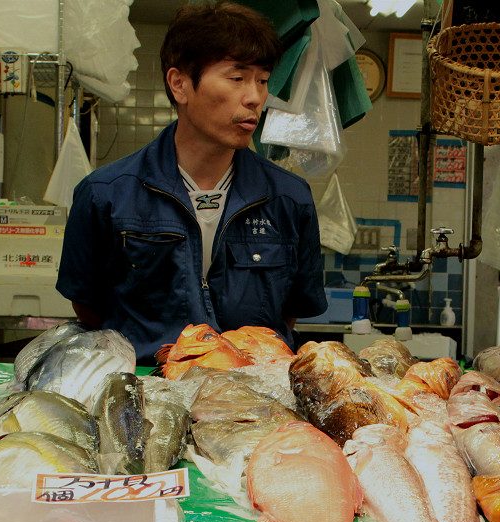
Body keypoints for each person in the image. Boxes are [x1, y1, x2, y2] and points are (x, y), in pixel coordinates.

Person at [56, 2, 326, 364]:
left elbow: (293, 310)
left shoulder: (289, 198)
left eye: (262, 80)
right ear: (180, 84)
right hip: (146, 391)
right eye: (237, 78)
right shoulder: (105, 194)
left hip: (256, 401)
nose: (255, 97)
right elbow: (88, 306)